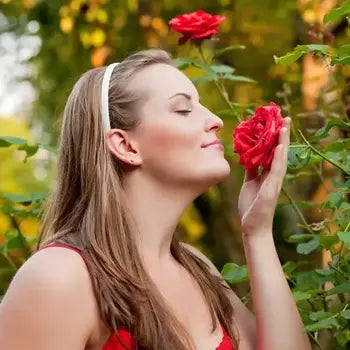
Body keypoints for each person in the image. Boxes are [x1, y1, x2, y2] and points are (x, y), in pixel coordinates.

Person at [0, 49, 311, 350]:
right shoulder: (58, 279)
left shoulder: (198, 270)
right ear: (126, 146)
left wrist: (256, 233)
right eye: (183, 109)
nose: (215, 120)